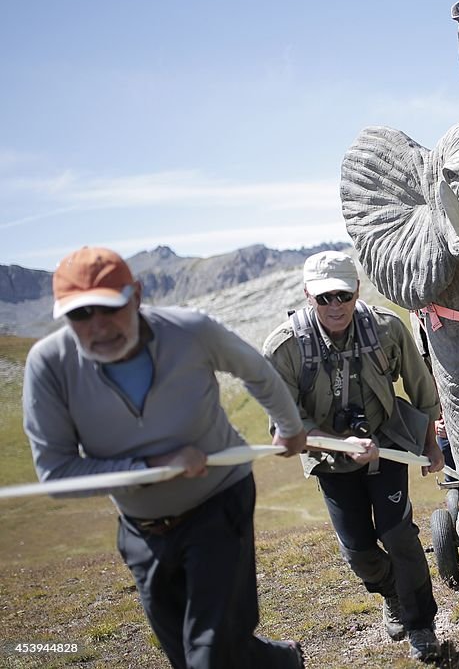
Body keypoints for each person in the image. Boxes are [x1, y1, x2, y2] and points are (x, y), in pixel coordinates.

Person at [22, 247, 307, 669]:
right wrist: (148, 470)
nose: (98, 327)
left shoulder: (190, 331)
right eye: (80, 315)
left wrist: (289, 426)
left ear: (135, 295)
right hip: (142, 531)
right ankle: (280, 662)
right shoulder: (48, 365)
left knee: (207, 657)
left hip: (219, 504)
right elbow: (56, 472)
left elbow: (256, 371)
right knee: (188, 654)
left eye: (108, 307)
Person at [262, 250, 445, 662]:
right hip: (329, 459)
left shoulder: (387, 328)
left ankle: (421, 624)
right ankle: (391, 592)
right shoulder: (285, 349)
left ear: (357, 290)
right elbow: (286, 427)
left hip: (388, 444)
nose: (335, 306)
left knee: (398, 534)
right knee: (358, 551)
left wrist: (432, 444)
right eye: (324, 298)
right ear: (308, 295)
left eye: (343, 295)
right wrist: (341, 445)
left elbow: (421, 386)